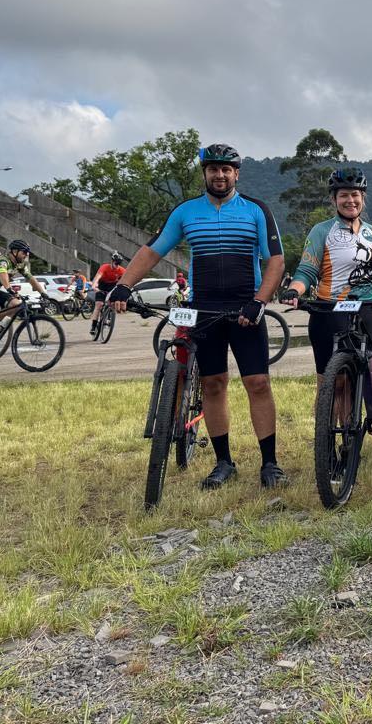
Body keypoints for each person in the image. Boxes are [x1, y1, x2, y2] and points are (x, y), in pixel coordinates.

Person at [108, 144, 288, 489]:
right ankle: (224, 462)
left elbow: (275, 261)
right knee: (213, 384)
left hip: (243, 309)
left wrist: (259, 301)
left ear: (236, 174)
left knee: (258, 383)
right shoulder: (186, 212)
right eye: (213, 170)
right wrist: (124, 285)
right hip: (203, 308)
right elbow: (152, 250)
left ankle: (270, 463)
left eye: (226, 170)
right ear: (204, 173)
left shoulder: (256, 210)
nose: (220, 175)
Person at [282, 168, 372, 418]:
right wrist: (294, 289)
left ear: (363, 198)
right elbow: (307, 270)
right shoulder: (321, 231)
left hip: (367, 311)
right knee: (332, 383)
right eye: (344, 195)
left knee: (365, 378)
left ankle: (352, 440)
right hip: (330, 312)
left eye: (356, 195)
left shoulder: (371, 232)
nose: (351, 200)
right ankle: (327, 445)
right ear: (334, 199)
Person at [0, 240, 51, 360]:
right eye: (24, 252)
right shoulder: (3, 261)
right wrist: (9, 288)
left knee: (16, 305)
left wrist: (43, 293)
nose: (26, 255)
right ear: (15, 251)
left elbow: (31, 278)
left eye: (27, 253)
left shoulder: (20, 264)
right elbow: (3, 276)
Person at [90, 251, 127, 336]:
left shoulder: (121, 270)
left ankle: (110, 316)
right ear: (112, 261)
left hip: (112, 287)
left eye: (118, 264)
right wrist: (94, 286)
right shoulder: (105, 267)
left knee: (113, 302)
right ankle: (93, 326)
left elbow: (126, 280)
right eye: (115, 263)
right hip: (102, 286)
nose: (116, 266)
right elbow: (97, 277)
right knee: (98, 305)